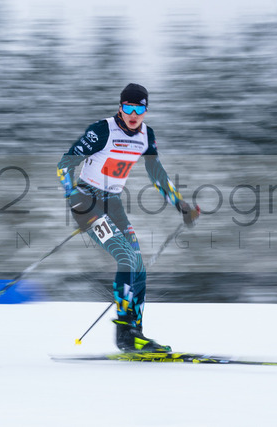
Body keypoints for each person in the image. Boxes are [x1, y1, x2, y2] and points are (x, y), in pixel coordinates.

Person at [57, 83, 200, 352]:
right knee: (126, 257)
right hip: (87, 202)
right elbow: (64, 165)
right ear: (120, 107)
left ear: (146, 110)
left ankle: (134, 334)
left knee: (138, 266)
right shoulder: (102, 130)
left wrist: (180, 205)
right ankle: (125, 333)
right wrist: (72, 197)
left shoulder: (146, 136)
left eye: (139, 109)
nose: (133, 115)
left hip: (113, 203)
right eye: (128, 108)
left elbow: (157, 174)